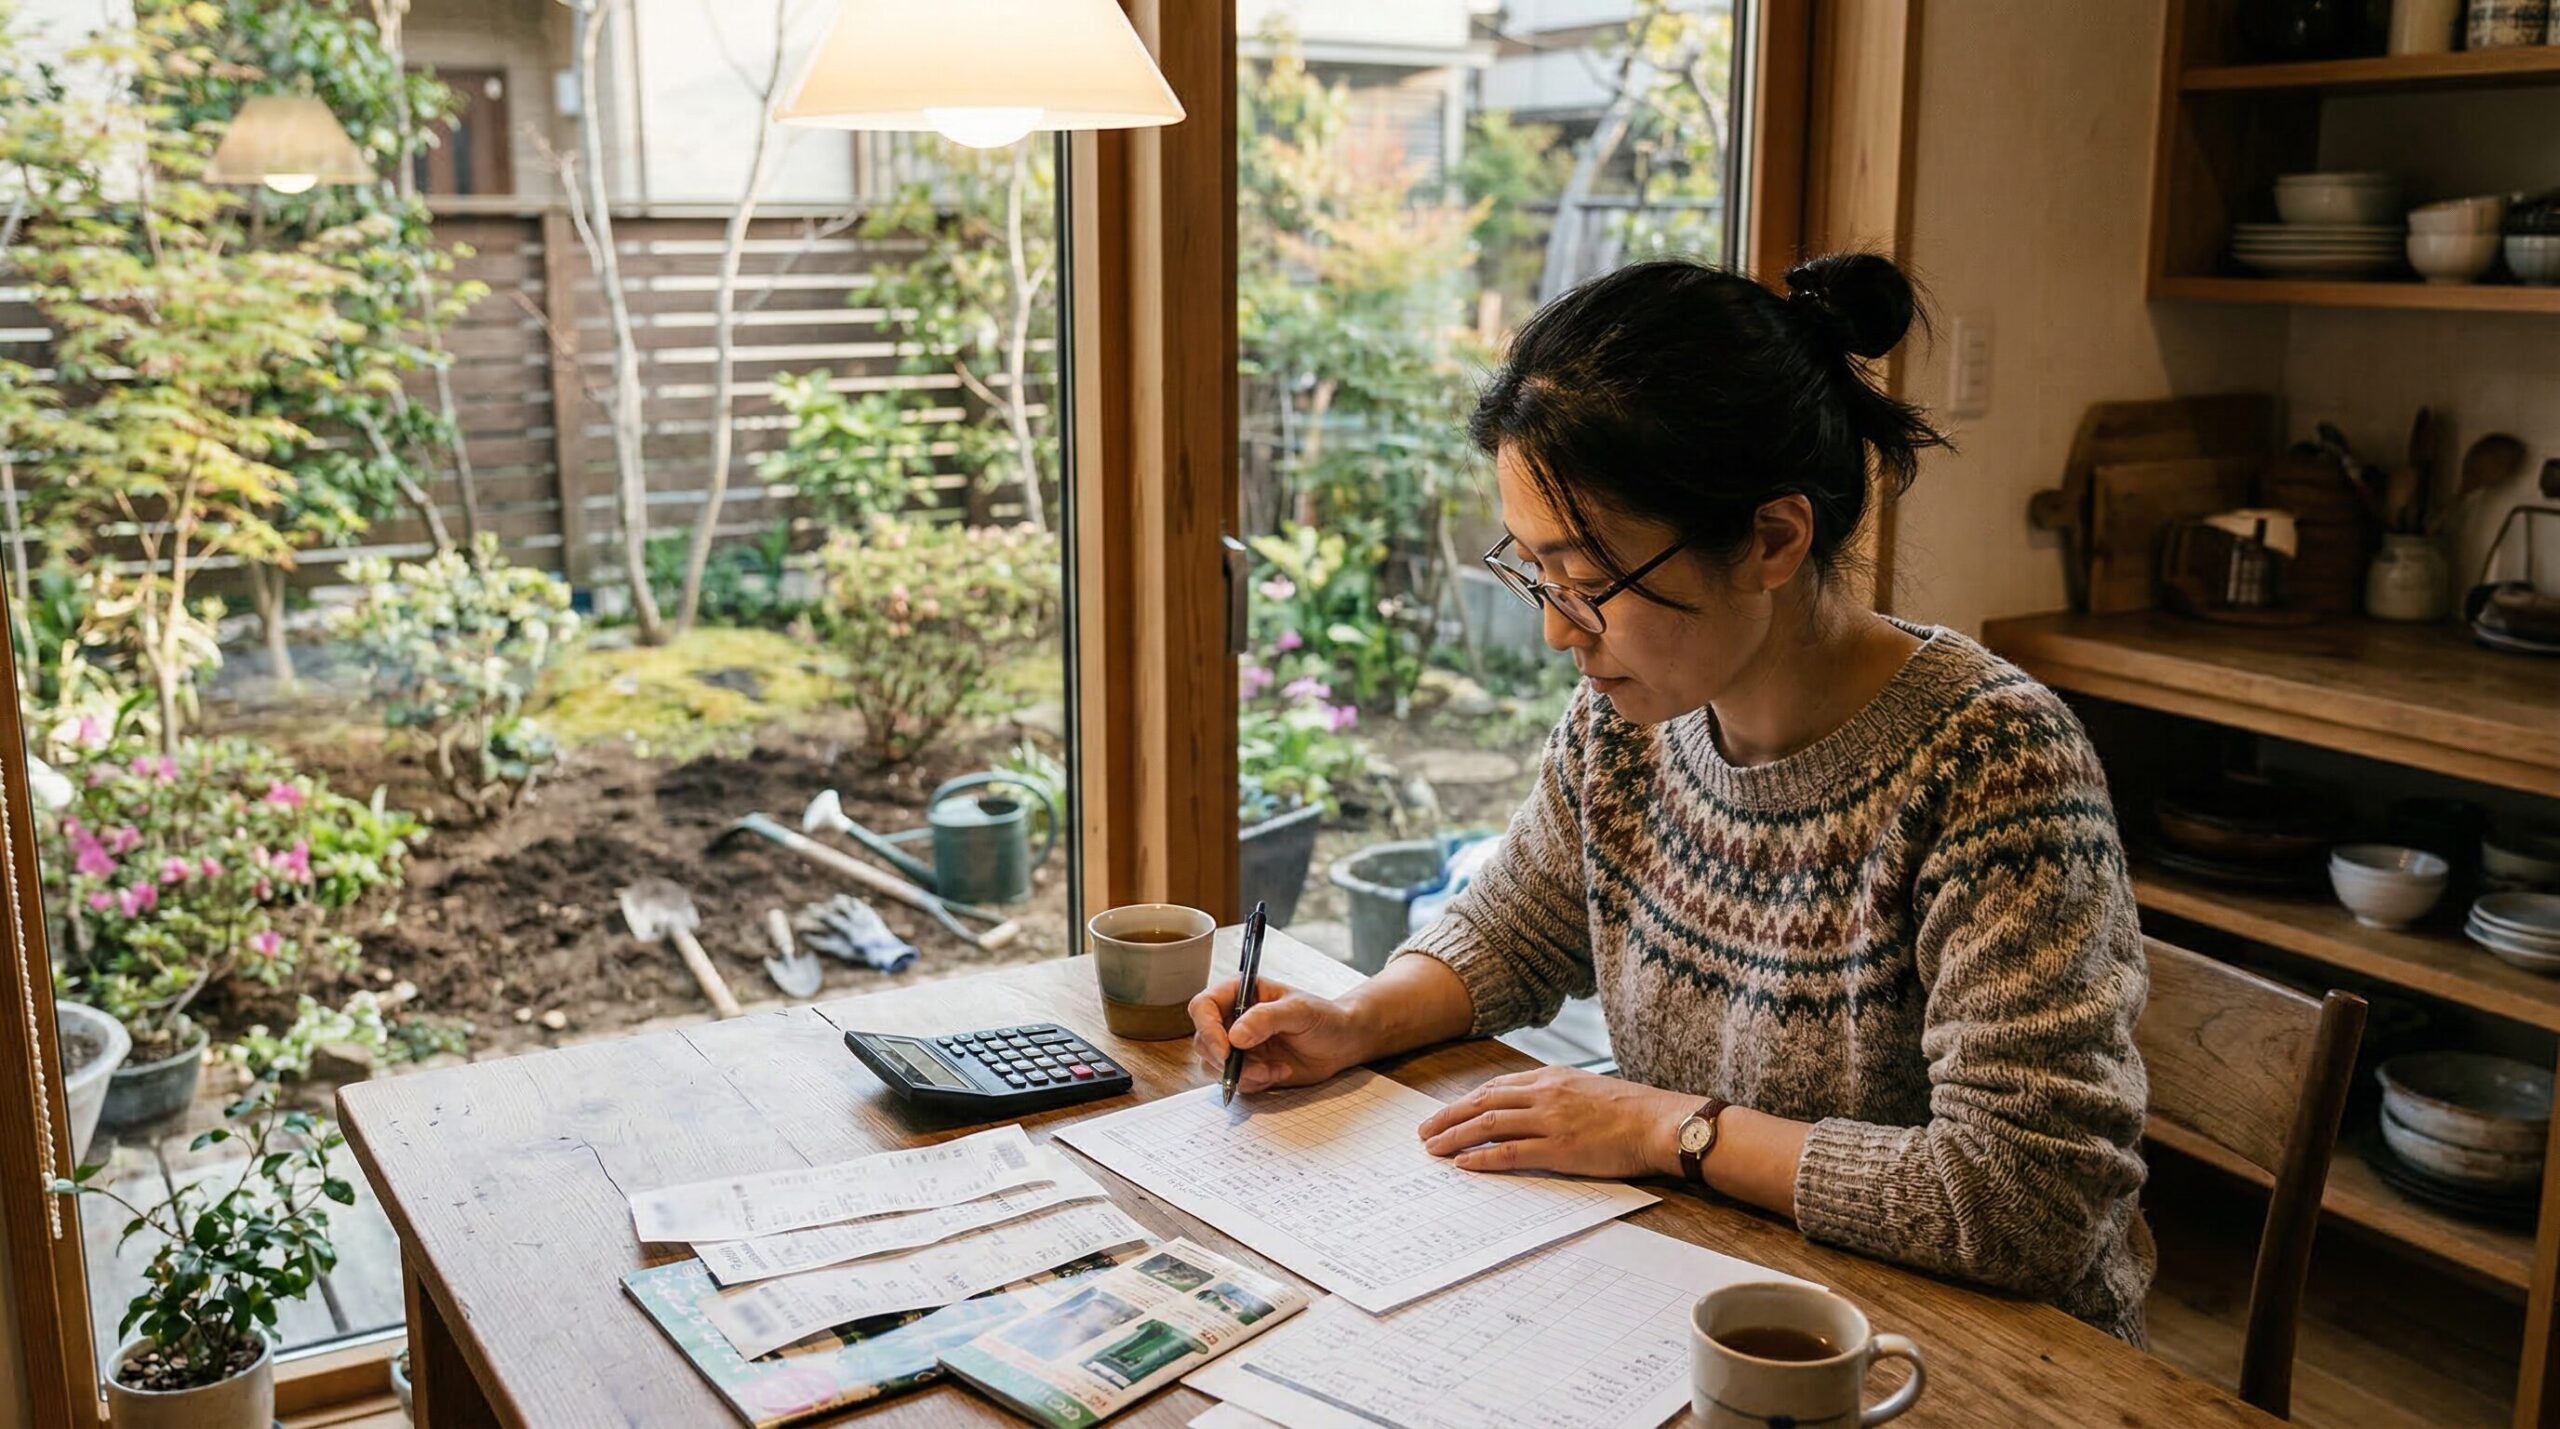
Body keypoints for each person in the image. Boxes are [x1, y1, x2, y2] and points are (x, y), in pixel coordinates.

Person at [1191, 253, 2153, 1344]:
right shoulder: (1631, 721)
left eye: (1589, 581)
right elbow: (1516, 929)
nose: (1555, 628)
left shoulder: (1996, 764)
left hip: (1976, 1351)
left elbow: (2024, 1201)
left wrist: (1664, 1129)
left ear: (1773, 539)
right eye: (1536, 571)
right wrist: (1355, 1018)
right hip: (1710, 1287)